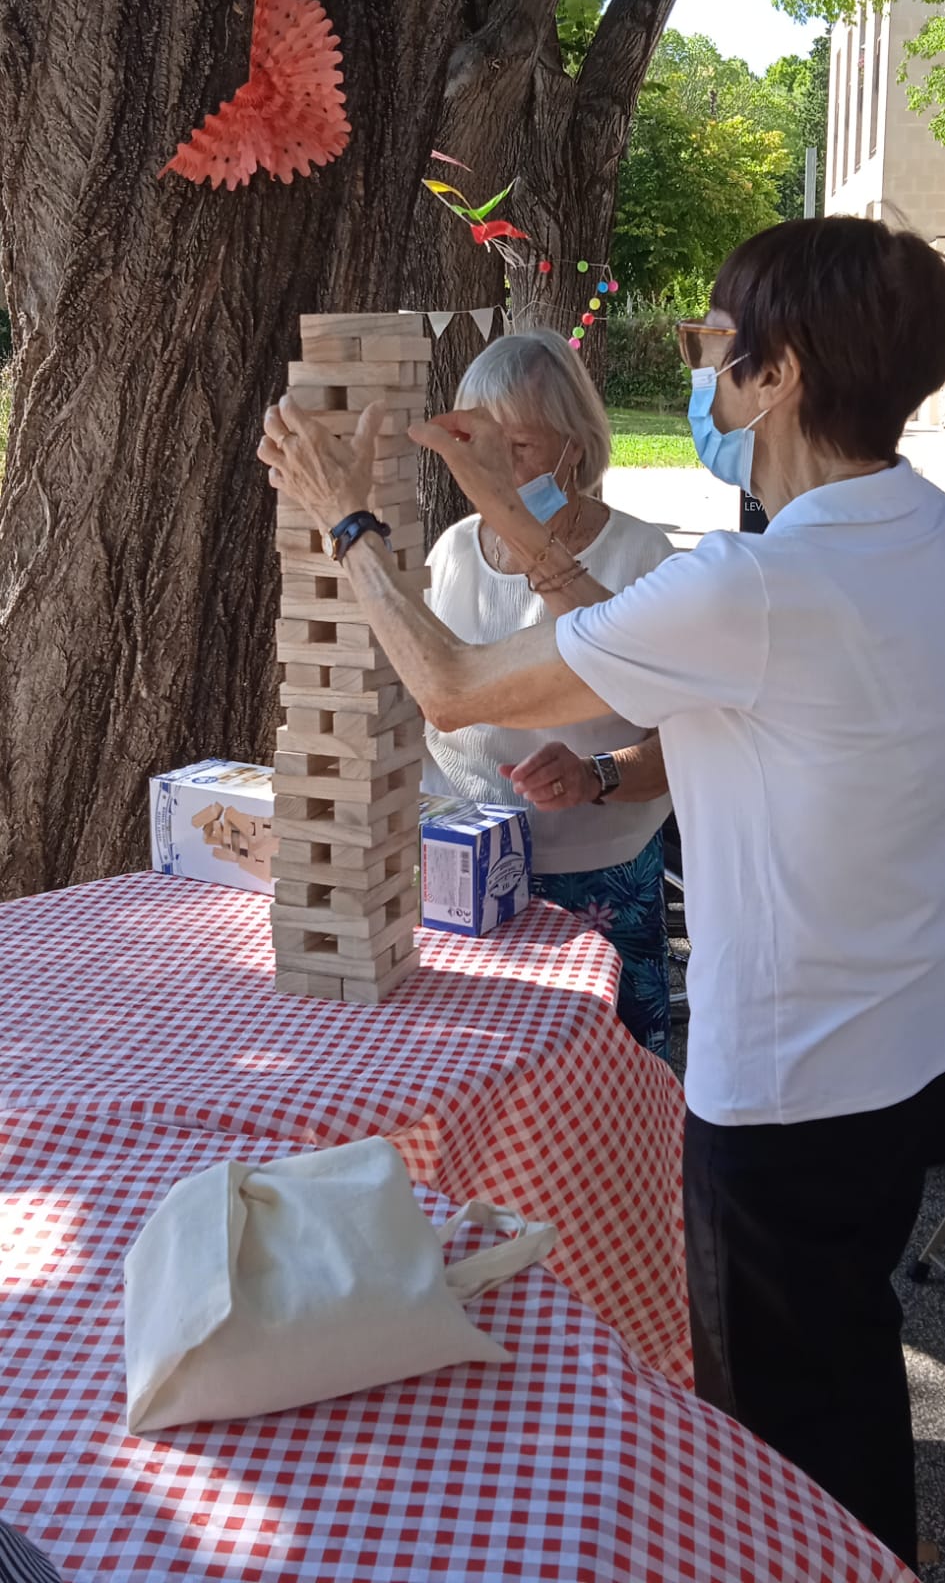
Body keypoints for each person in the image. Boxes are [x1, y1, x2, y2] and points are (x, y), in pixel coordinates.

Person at [259, 217, 945, 1571]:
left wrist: (341, 513)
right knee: (847, 1351)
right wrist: (506, 511)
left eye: (711, 349)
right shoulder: (908, 541)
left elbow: (453, 686)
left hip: (785, 1090)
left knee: (781, 1429)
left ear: (779, 373)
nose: (701, 376)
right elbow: (648, 667)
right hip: (901, 1055)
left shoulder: (759, 583)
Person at [423, 328, 674, 1055]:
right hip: (457, 869)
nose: (496, 470)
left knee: (606, 1091)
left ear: (575, 445)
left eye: (521, 447)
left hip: (595, 871)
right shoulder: (450, 551)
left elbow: (691, 741)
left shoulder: (638, 556)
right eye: (477, 446)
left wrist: (597, 774)